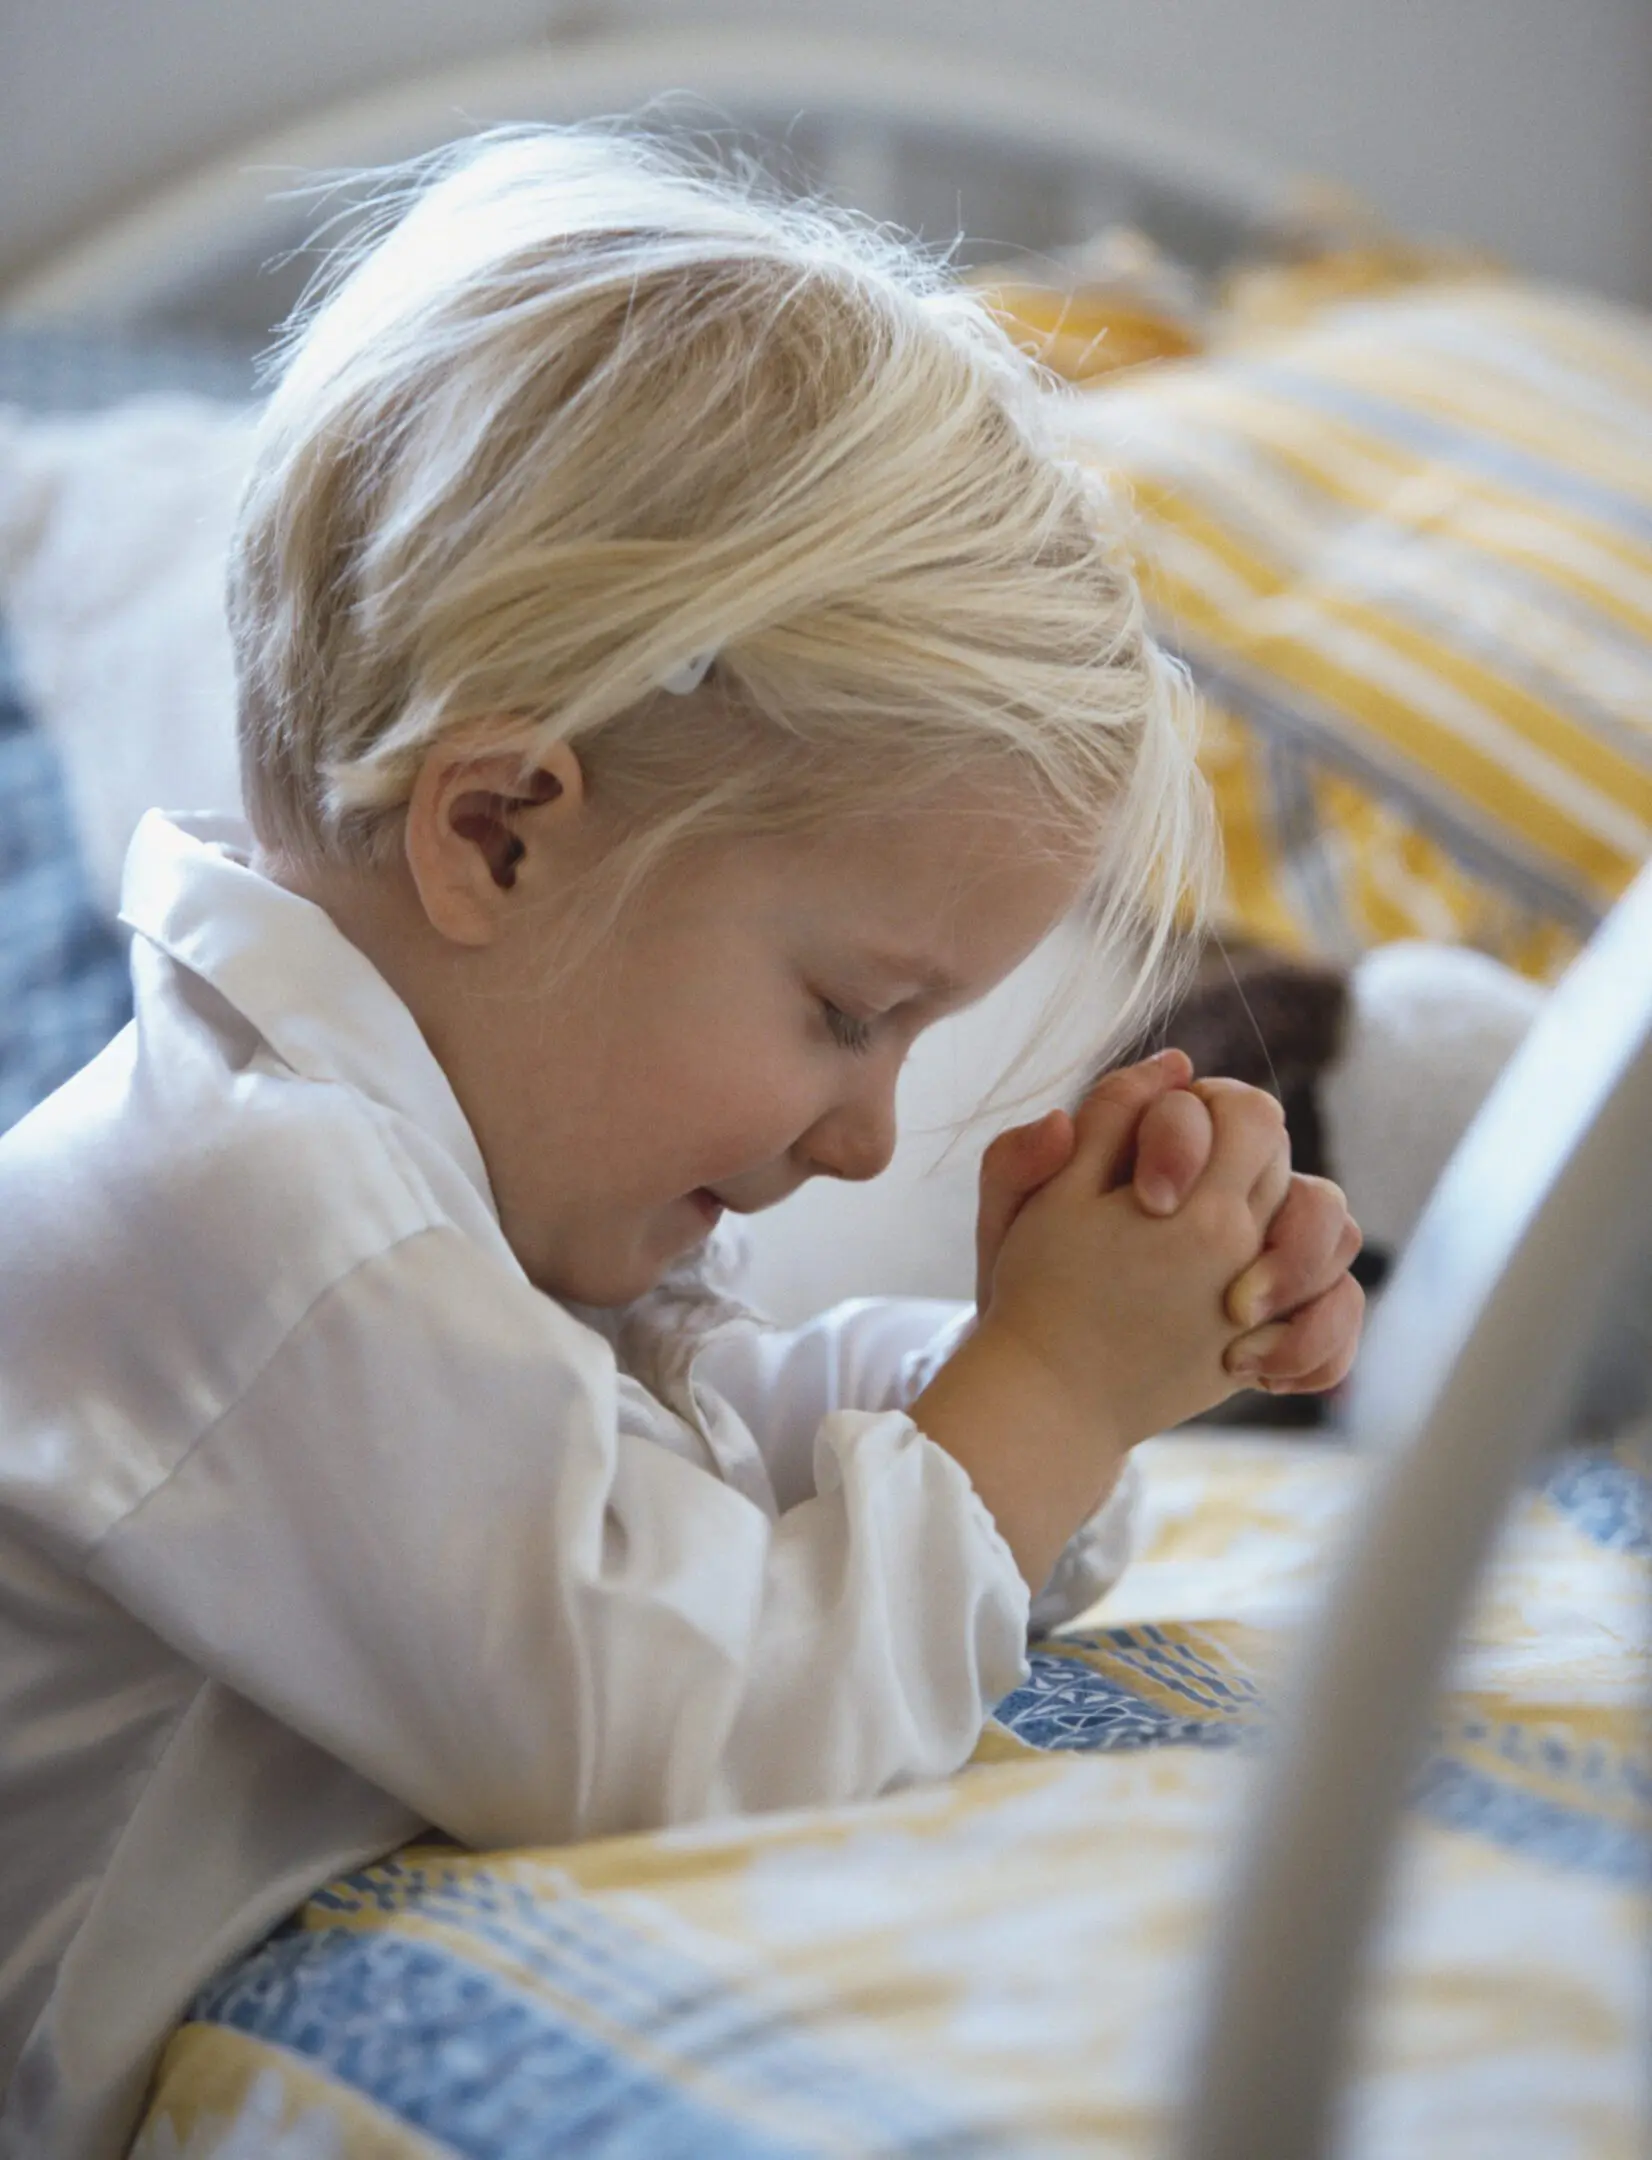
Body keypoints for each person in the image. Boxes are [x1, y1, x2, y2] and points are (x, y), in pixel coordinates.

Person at [0, 128, 1362, 2156]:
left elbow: (689, 1494)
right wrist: (1046, 1396)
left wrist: (1022, 1364)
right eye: (846, 1011)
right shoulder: (273, 1220)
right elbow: (679, 1734)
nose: (867, 1127)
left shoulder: (419, 1185)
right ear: (499, 832)